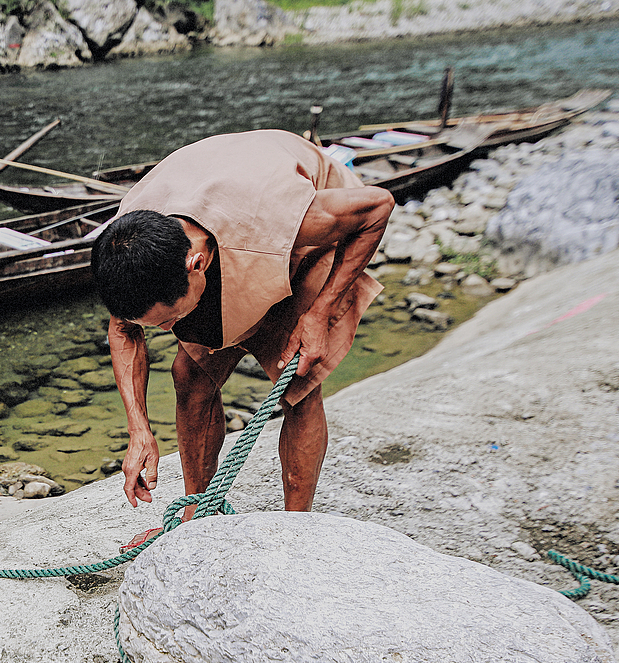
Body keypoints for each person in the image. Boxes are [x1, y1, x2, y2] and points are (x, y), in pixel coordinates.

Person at [91, 129, 393, 535]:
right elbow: (124, 329)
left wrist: (320, 314)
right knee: (188, 375)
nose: (166, 332)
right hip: (221, 201)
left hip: (291, 244)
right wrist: (139, 429)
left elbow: (378, 206)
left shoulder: (281, 220)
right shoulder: (127, 243)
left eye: (166, 322)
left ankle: (295, 529)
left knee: (298, 381)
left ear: (196, 265)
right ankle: (198, 515)